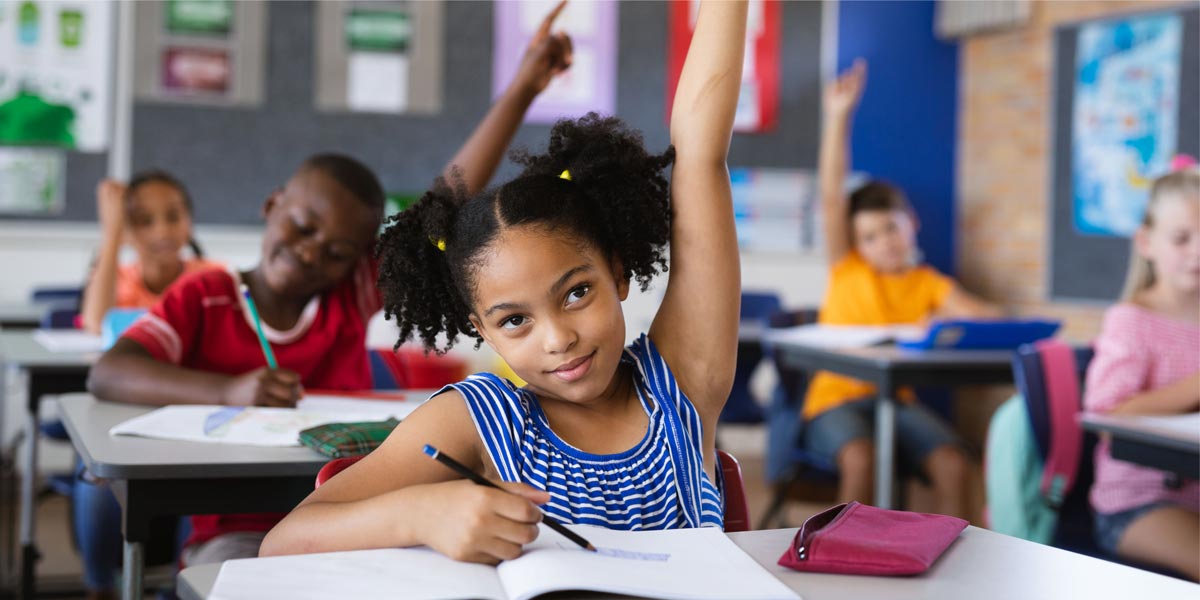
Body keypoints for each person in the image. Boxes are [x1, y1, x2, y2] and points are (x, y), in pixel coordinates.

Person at [82, 2, 574, 584]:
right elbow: (109, 373)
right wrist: (228, 389)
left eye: (340, 250)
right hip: (238, 535)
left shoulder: (350, 293)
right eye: (302, 226)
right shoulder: (206, 295)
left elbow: (439, 209)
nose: (314, 252)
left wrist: (522, 87)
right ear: (272, 207)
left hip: (357, 521)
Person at [260, 0, 748, 564]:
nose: (557, 338)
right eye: (515, 320)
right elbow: (283, 542)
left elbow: (701, 152)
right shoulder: (481, 419)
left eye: (575, 293)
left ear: (617, 273)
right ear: (483, 331)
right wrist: (423, 512)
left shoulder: (683, 381)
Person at [804, 60, 1002, 518]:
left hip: (894, 402)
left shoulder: (928, 282)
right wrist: (838, 117)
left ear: (912, 224)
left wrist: (950, 321)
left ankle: (955, 567)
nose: (884, 243)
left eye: (892, 229)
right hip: (835, 401)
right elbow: (833, 198)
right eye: (870, 237)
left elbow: (988, 316)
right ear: (856, 245)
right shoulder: (848, 268)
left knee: (955, 463)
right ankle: (840, 558)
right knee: (862, 459)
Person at [1084, 164, 1199, 581]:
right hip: (1136, 505)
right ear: (1147, 243)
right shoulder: (1132, 320)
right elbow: (1107, 416)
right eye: (1182, 238)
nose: (1198, 250)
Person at [80, 172, 220, 334]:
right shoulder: (116, 280)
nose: (162, 232)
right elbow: (98, 325)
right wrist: (113, 235)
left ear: (190, 223)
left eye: (173, 217)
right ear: (126, 232)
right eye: (145, 221)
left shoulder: (213, 277)